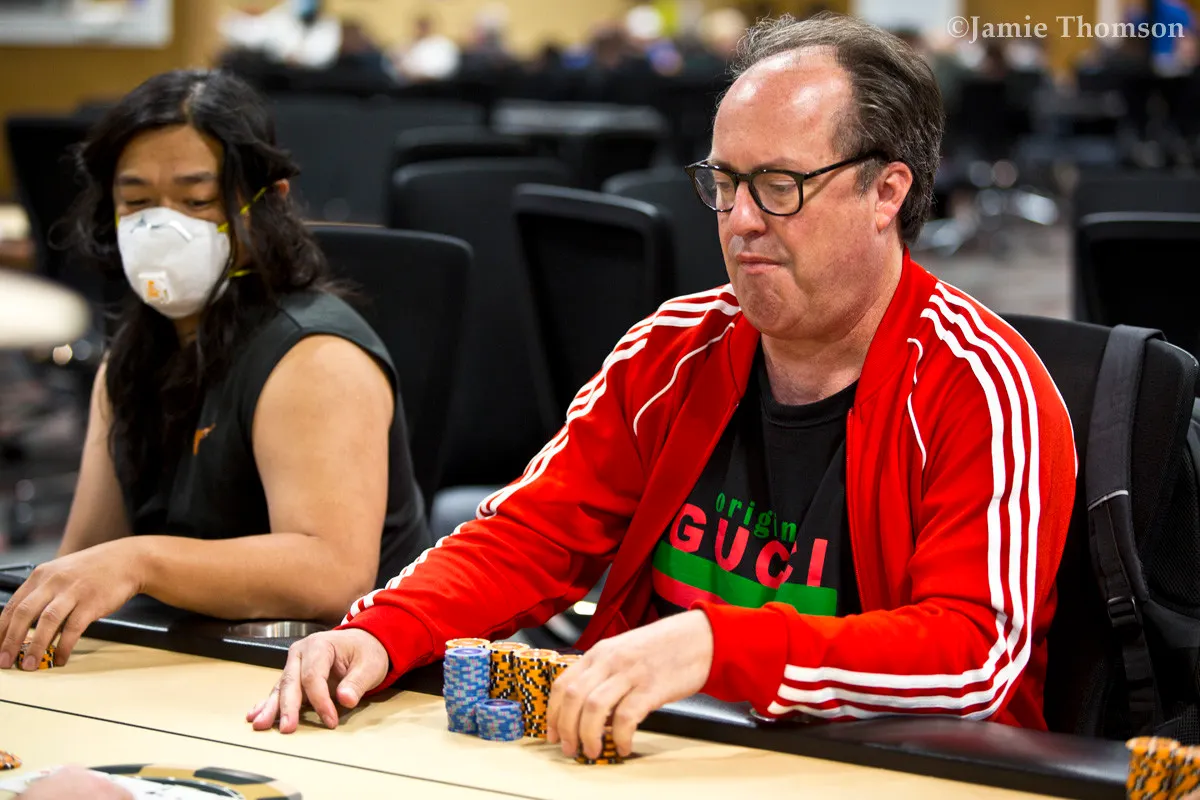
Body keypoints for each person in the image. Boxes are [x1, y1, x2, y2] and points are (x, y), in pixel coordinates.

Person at [247, 12, 1076, 761]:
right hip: (670, 760)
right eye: (725, 183)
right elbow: (530, 536)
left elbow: (971, 659)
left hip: (890, 775)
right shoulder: (674, 348)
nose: (740, 220)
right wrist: (384, 630)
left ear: (885, 192)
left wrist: (715, 646)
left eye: (779, 186)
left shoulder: (983, 388)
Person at [0, 70, 430, 671]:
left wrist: (140, 561)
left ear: (268, 203)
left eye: (197, 201)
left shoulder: (315, 355)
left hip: (330, 676)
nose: (160, 225)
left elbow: (332, 574)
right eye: (136, 201)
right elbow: (84, 561)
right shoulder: (131, 356)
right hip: (186, 664)